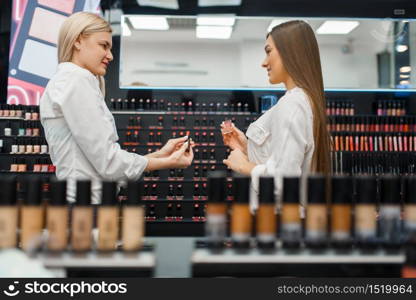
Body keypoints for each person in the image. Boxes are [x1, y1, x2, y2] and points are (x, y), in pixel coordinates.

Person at [40, 12, 193, 203]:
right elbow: (109, 163)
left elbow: (102, 163)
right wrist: (167, 162)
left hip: (82, 202)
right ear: (78, 41)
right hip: (85, 207)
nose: (110, 56)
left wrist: (160, 154)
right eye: (103, 46)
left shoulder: (67, 81)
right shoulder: (76, 80)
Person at [221, 20, 331, 209]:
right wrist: (248, 148)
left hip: (278, 223)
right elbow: (284, 158)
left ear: (291, 52)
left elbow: (282, 183)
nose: (264, 63)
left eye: (269, 51)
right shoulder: (303, 100)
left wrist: (244, 166)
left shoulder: (292, 104)